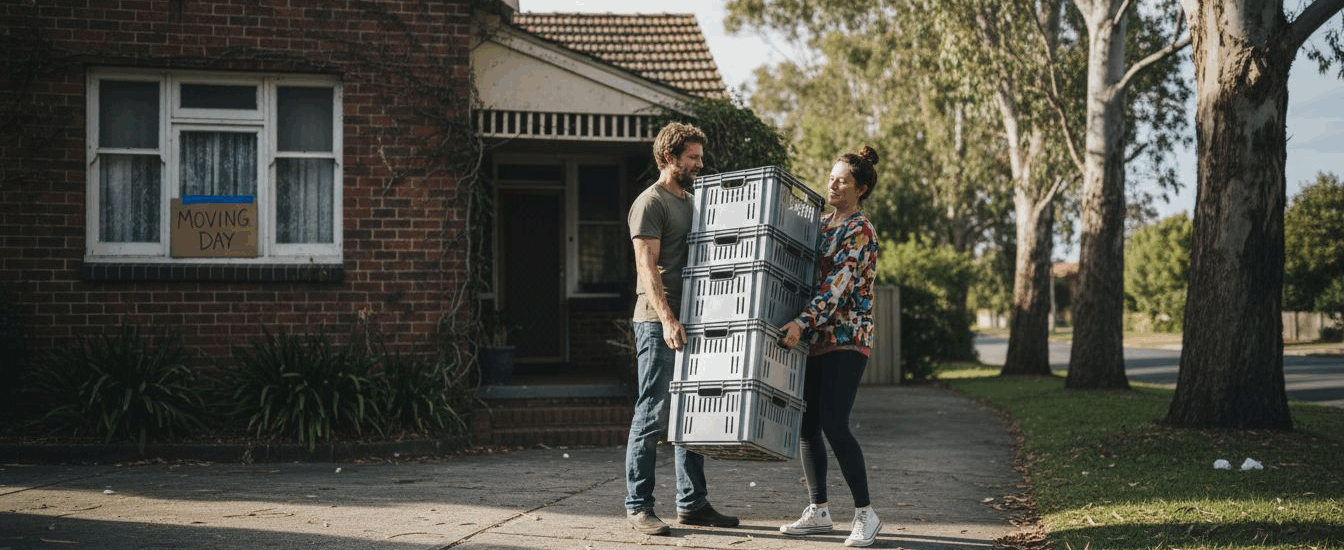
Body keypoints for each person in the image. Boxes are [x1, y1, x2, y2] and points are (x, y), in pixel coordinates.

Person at [623, 121, 739, 536]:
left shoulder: (694, 201)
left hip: (698, 320)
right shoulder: (650, 202)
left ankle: (692, 503)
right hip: (658, 322)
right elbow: (646, 266)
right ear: (669, 157)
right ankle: (639, 506)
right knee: (652, 413)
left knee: (693, 414)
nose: (698, 164)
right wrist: (668, 318)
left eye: (700, 158)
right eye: (692, 158)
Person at [777, 146, 883, 547]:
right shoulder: (821, 223)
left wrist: (802, 323)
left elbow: (837, 286)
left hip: (847, 338)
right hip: (816, 337)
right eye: (831, 177)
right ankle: (819, 509)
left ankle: (866, 514)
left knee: (834, 423)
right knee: (807, 424)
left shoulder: (859, 229)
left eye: (842, 180)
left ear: (862, 189)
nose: (832, 184)